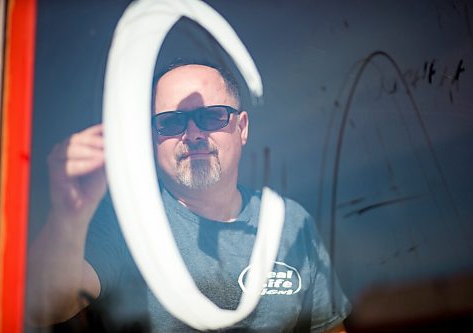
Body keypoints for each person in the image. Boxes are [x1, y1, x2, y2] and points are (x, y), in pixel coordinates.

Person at [26, 62, 350, 332]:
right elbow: (46, 306)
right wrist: (68, 215)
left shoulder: (290, 223)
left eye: (211, 117)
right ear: (152, 138)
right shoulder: (126, 221)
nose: (193, 134)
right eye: (171, 122)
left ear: (243, 128)